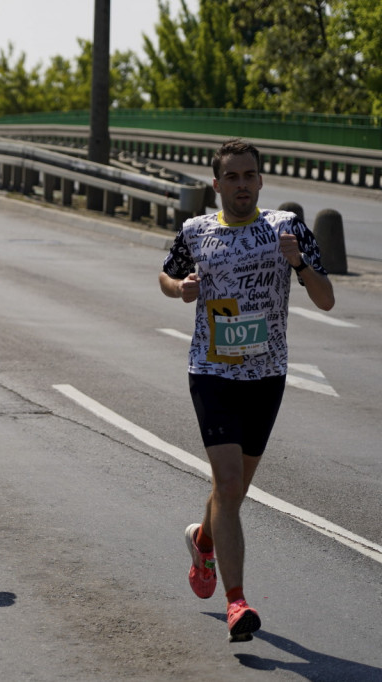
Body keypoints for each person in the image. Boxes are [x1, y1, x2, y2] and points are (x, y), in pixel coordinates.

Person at [159, 138, 335, 642]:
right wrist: (181, 288)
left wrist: (299, 264)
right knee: (231, 484)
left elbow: (325, 300)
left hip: (266, 375)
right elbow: (165, 276)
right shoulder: (196, 231)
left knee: (232, 492)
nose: (241, 184)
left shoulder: (286, 228)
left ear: (261, 180)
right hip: (211, 371)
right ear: (216, 185)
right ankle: (237, 603)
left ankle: (202, 540)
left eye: (249, 175)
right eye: (231, 177)